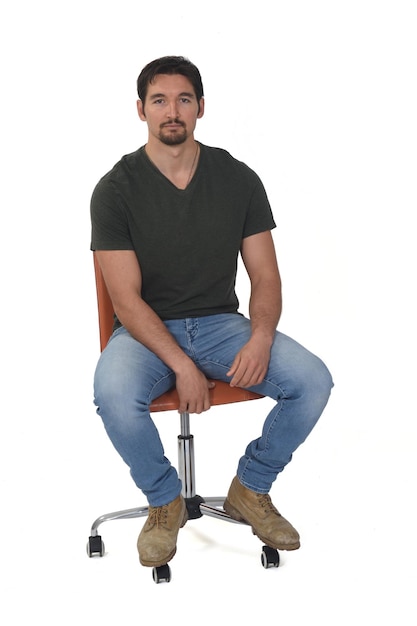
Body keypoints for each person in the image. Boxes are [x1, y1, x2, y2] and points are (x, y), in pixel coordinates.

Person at [90, 56, 333, 569]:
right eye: (159, 100)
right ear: (141, 110)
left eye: (183, 99)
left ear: (201, 107)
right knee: (112, 393)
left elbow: (265, 276)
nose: (171, 111)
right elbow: (126, 301)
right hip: (144, 332)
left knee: (312, 380)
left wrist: (262, 336)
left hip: (221, 326)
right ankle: (164, 500)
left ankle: (252, 486)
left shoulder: (237, 178)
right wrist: (180, 365)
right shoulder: (115, 189)